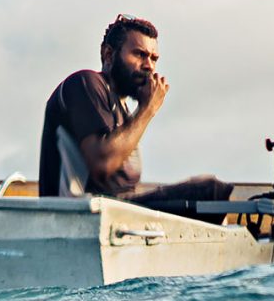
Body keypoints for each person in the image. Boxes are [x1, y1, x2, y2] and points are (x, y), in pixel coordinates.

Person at [38, 14, 233, 220]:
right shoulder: (85, 84)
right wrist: (148, 109)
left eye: (154, 58)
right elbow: (103, 165)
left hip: (115, 217)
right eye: (140, 55)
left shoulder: (122, 110)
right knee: (208, 193)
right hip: (81, 218)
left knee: (210, 197)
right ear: (109, 55)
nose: (149, 66)